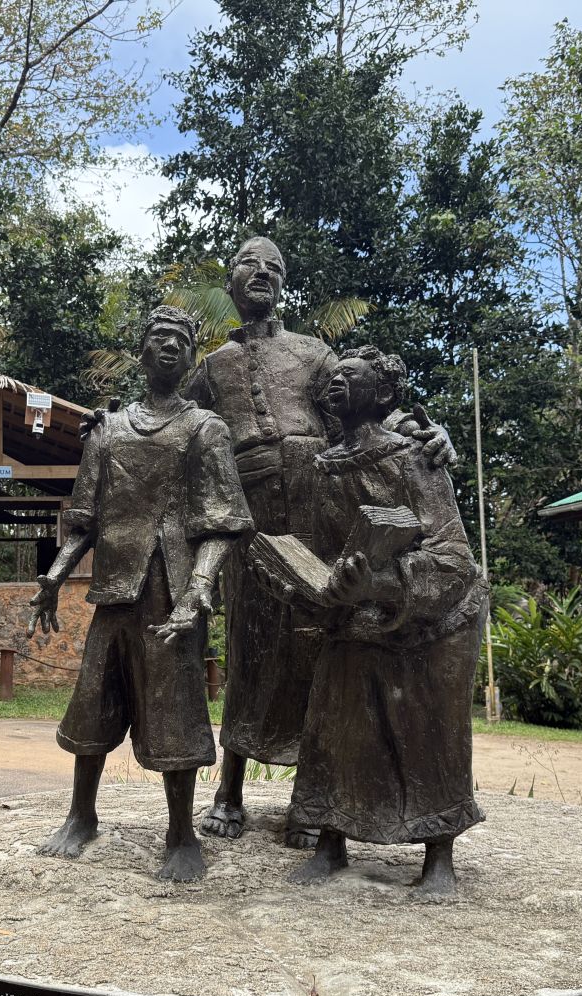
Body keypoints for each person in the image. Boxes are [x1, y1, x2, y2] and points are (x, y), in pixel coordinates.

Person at [183, 236, 456, 844]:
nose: (263, 272)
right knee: (249, 647)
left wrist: (431, 434)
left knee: (314, 647)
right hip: (247, 515)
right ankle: (230, 791)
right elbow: (179, 426)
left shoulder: (312, 352)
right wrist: (105, 425)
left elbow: (369, 408)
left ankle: (314, 796)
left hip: (315, 504)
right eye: (250, 264)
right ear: (230, 282)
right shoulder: (212, 367)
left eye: (275, 266)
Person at [26, 306, 253, 883]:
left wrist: (199, 590)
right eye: (159, 338)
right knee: (93, 702)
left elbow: (224, 522)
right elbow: (83, 519)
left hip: (172, 592)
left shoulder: (206, 429)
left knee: (176, 708)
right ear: (142, 350)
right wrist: (54, 577)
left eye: (181, 339)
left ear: (191, 355)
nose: (170, 346)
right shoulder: (106, 431)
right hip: (114, 590)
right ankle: (81, 814)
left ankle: (180, 834)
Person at [274, 347, 486, 895]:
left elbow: (454, 558)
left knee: (428, 731)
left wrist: (384, 584)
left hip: (429, 621)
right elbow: (319, 552)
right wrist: (306, 582)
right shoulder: (323, 465)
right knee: (334, 716)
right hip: (356, 613)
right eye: (334, 376)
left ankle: (439, 854)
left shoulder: (413, 457)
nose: (337, 382)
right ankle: (331, 840)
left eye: (353, 375)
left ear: (384, 393)